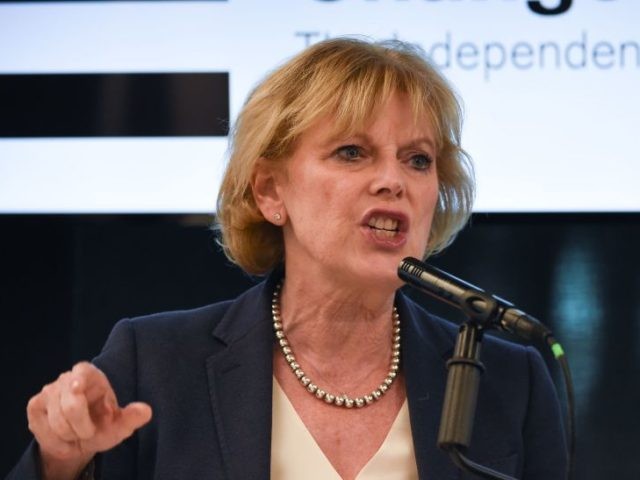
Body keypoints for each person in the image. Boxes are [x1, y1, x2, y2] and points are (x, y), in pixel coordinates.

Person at [7, 38, 567, 480]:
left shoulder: (510, 379)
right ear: (271, 192)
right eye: (352, 152)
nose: (393, 180)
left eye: (417, 160)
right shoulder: (153, 363)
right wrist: (61, 462)